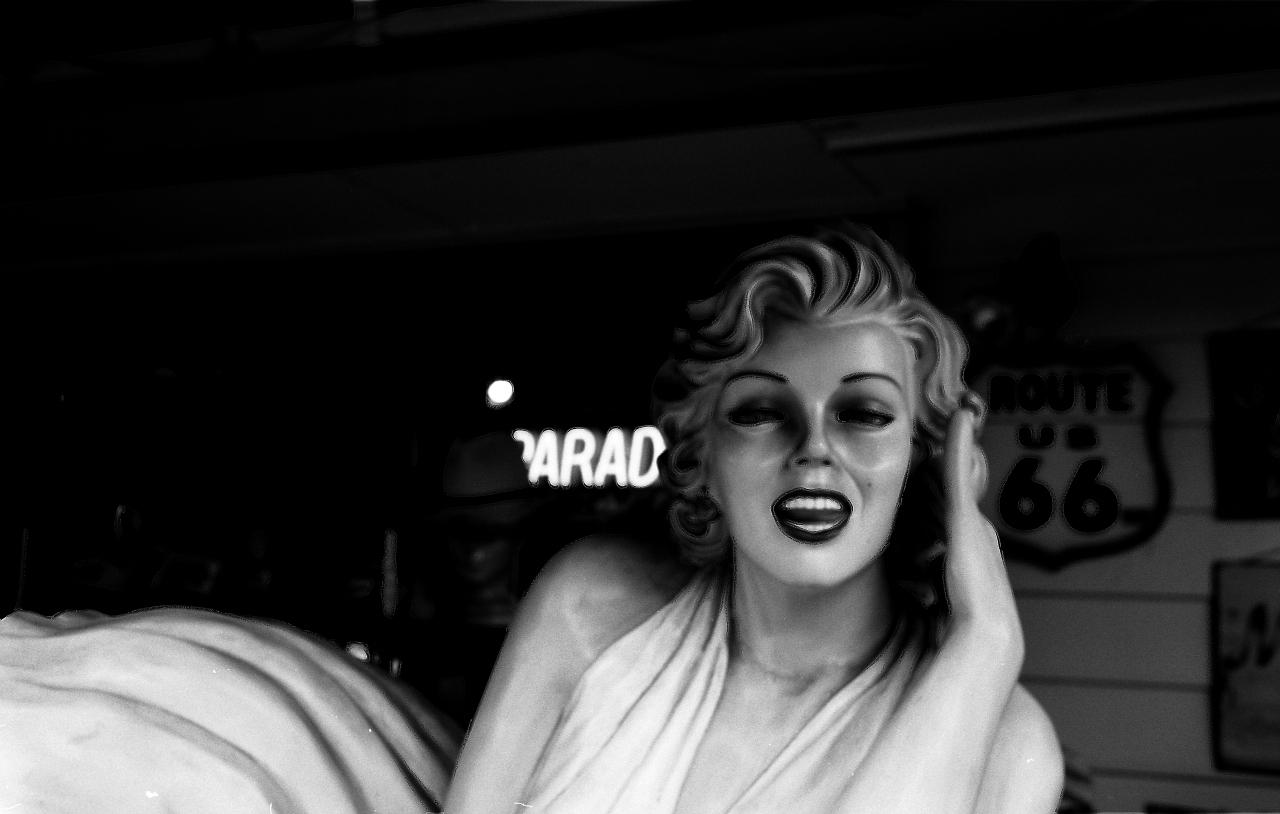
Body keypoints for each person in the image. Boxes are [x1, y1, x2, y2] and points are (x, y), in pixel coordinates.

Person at [446, 223, 1064, 813]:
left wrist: (987, 642)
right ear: (703, 456)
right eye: (761, 412)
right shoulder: (591, 609)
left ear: (923, 458)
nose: (815, 448)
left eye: (864, 414)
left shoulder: (1005, 741)